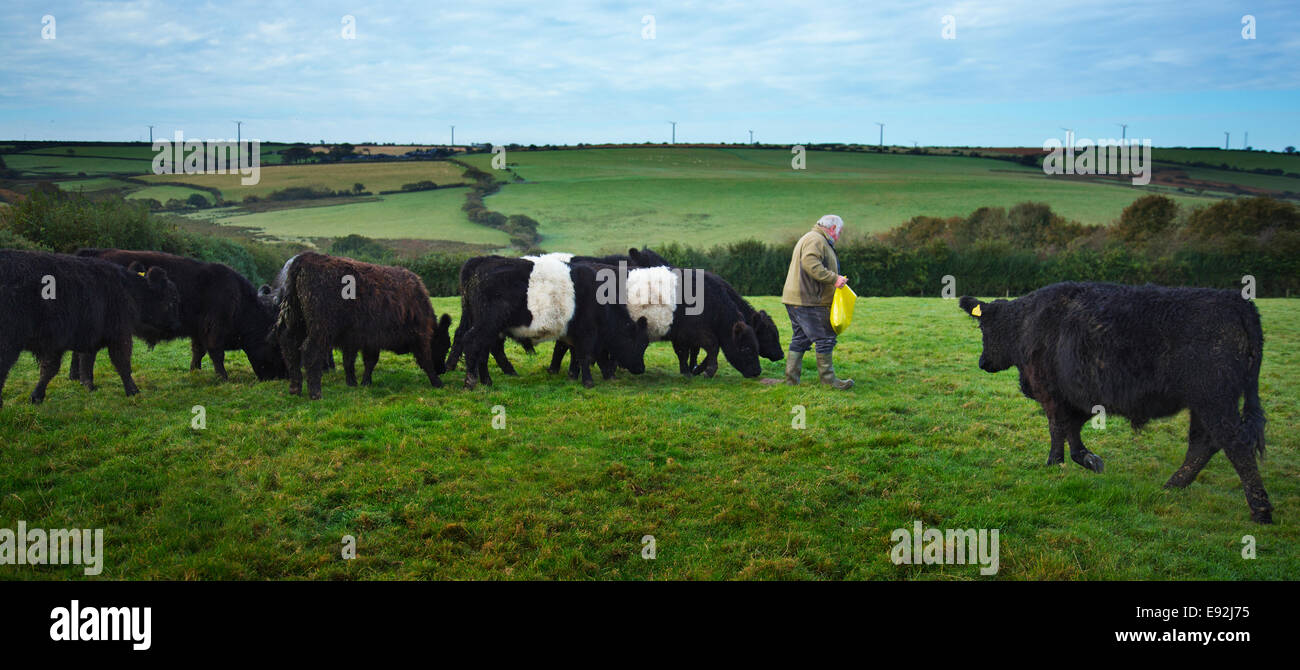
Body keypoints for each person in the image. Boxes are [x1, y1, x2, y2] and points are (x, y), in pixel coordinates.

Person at [780, 214, 853, 389]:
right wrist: (834, 278)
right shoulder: (816, 239)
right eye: (840, 232)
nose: (839, 236)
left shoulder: (812, 237)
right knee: (825, 338)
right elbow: (810, 263)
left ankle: (791, 381)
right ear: (833, 228)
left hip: (797, 298)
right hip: (809, 300)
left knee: (801, 338)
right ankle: (829, 381)